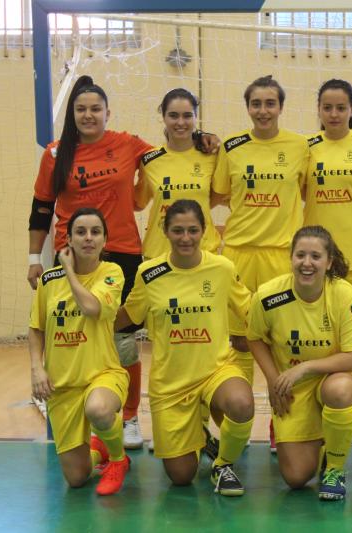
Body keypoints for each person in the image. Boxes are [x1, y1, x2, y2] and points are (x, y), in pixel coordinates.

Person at [28, 75, 150, 449]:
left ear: (107, 113)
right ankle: (81, 406)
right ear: (73, 114)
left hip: (123, 253)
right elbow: (41, 207)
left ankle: (128, 417)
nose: (88, 115)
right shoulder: (55, 154)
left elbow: (171, 155)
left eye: (96, 109)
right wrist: (34, 257)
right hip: (72, 255)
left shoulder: (127, 144)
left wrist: (202, 139)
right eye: (81, 109)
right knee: (73, 332)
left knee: (123, 340)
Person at [115, 199, 254, 495]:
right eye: (178, 230)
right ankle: (201, 438)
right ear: (165, 231)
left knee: (241, 403)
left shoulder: (222, 268)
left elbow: (251, 311)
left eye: (193, 230)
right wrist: (86, 319)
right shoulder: (149, 273)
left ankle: (222, 464)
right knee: (181, 477)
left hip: (215, 371)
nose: (186, 238)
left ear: (204, 231)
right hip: (171, 384)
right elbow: (129, 316)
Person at [213, 75, 309, 450]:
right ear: (248, 107)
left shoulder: (300, 146)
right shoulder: (232, 146)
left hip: (280, 254)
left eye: (270, 103)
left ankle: (280, 423)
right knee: (239, 340)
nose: (263, 110)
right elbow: (221, 193)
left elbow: (305, 190)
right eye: (256, 103)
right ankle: (236, 425)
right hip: (238, 252)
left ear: (281, 107)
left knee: (281, 342)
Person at [247, 226, 352, 501]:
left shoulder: (343, 294)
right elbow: (254, 338)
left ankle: (335, 469)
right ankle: (326, 442)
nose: (307, 263)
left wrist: (304, 367)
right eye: (300, 255)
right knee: (296, 477)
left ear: (329, 262)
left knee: (339, 391)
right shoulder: (268, 296)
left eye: (316, 256)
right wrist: (273, 380)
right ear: (291, 257)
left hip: (335, 377)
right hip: (293, 388)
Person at [134, 88, 222, 459]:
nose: (181, 122)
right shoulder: (149, 159)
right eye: (174, 115)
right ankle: (174, 422)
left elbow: (217, 196)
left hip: (203, 258)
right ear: (163, 117)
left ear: (196, 117)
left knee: (202, 345)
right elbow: (138, 201)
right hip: (160, 261)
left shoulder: (211, 154)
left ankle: (200, 426)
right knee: (168, 347)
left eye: (188, 115)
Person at [29, 207, 130, 496]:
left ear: (104, 240)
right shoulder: (49, 281)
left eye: (95, 232)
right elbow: (36, 328)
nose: (88, 238)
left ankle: (119, 460)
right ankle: (99, 451)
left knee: (98, 409)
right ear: (69, 239)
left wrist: (69, 272)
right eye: (81, 232)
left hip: (102, 375)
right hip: (63, 387)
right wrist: (37, 368)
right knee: (76, 478)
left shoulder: (111, 273)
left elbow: (91, 307)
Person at [303, 79, 352, 448]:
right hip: (314, 260)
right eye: (327, 107)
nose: (334, 114)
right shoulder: (306, 149)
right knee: (316, 339)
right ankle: (316, 414)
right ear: (319, 110)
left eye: (340, 107)